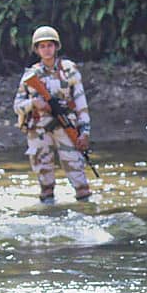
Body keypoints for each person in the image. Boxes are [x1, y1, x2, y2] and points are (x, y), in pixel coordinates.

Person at [13, 26, 91, 203]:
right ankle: (48, 210)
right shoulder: (30, 76)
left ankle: (86, 208)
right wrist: (34, 103)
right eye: (42, 46)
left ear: (56, 46)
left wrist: (85, 131)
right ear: (36, 49)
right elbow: (17, 106)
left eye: (50, 45)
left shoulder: (69, 70)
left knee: (77, 170)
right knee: (44, 176)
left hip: (66, 126)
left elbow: (81, 104)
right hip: (39, 129)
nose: (46, 50)